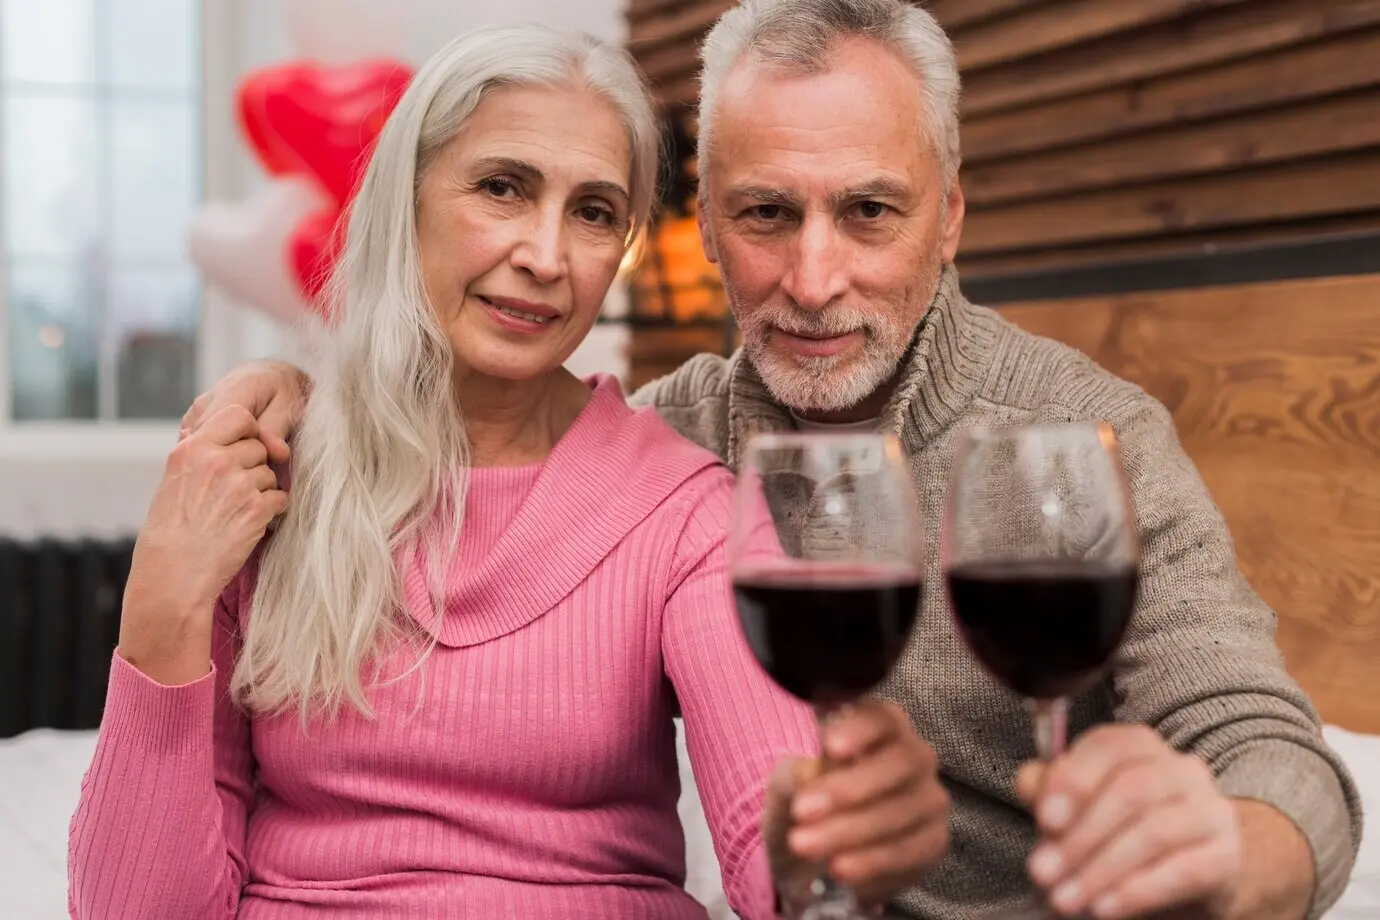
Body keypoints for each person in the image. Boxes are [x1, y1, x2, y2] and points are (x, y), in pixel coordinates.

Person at [185, 2, 1364, 919]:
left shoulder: (1082, 438)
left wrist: (1234, 854)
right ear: (701, 217)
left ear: (949, 215)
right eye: (764, 215)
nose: (811, 279)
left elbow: (1266, 742)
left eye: (868, 213)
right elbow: (481, 446)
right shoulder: (671, 438)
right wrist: (299, 399)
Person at [68, 23, 955, 920]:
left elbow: (774, 840)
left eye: (594, 212)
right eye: (502, 188)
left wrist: (832, 845)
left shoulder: (687, 513)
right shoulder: (266, 474)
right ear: (405, 201)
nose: (545, 256)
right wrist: (157, 613)